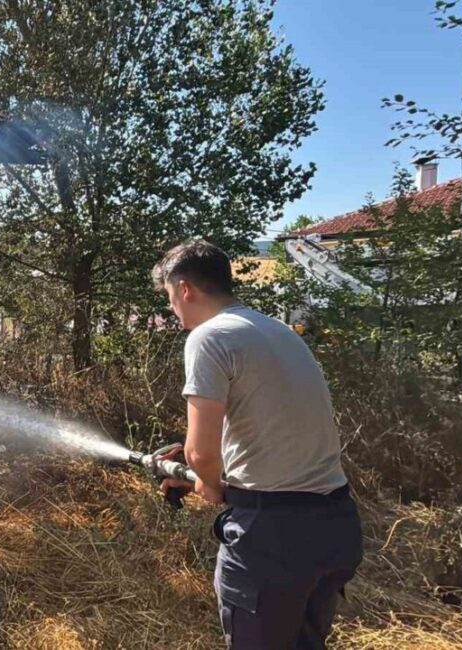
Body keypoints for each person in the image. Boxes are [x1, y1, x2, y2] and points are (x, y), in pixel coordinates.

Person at [152, 240, 363, 649]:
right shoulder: (275, 329)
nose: (172, 309)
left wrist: (208, 483)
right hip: (335, 524)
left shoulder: (208, 337)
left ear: (184, 289)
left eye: (169, 298)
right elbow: (273, 431)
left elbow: (201, 455)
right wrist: (206, 471)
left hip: (274, 540)